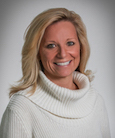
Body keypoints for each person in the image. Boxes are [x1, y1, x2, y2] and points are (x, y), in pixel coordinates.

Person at [0, 8, 110, 138]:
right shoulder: (20, 109)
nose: (62, 54)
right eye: (51, 45)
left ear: (81, 47)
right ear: (37, 53)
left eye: (70, 43)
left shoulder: (96, 101)